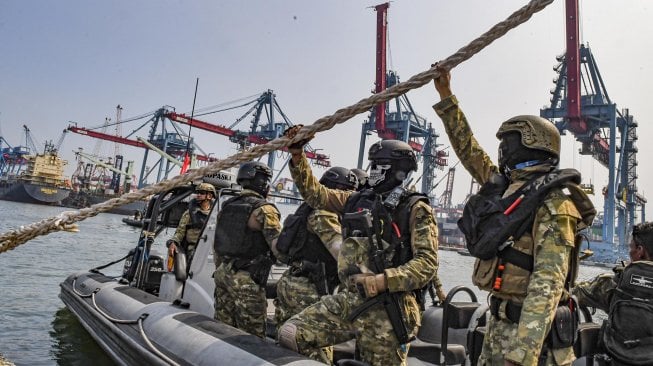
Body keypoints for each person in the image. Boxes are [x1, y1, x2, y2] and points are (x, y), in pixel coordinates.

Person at [432, 66, 595, 366]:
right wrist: (446, 97)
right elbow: (470, 152)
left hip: (532, 340)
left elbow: (547, 285)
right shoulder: (507, 188)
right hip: (497, 327)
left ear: (533, 142)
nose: (502, 149)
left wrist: (523, 355)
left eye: (509, 141)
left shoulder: (555, 202)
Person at [277, 132, 444, 366]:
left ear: (399, 170)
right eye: (372, 164)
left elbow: (427, 264)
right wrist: (297, 156)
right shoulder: (356, 199)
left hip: (389, 307)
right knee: (292, 333)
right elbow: (316, 195)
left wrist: (383, 280)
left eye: (380, 166)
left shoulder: (415, 208)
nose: (374, 170)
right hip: (352, 299)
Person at [274, 166, 358, 361]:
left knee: (286, 347)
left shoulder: (309, 210)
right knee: (314, 352)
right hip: (306, 289)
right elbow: (342, 254)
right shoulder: (324, 214)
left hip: (294, 282)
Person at [213, 161, 282, 338]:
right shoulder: (265, 210)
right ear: (264, 184)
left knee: (222, 328)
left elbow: (218, 246)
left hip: (222, 274)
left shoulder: (226, 206)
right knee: (252, 337)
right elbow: (279, 249)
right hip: (247, 280)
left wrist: (221, 269)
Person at [573, 221, 653, 365]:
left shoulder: (615, 283)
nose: (629, 252)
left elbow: (576, 293)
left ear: (640, 250)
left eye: (631, 247)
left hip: (617, 360)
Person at [166, 182, 216, 264]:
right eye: (198, 193)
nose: (198, 195)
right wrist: (173, 242)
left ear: (210, 196)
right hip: (194, 249)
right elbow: (180, 232)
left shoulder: (217, 213)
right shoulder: (189, 214)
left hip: (211, 250)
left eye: (202, 193)